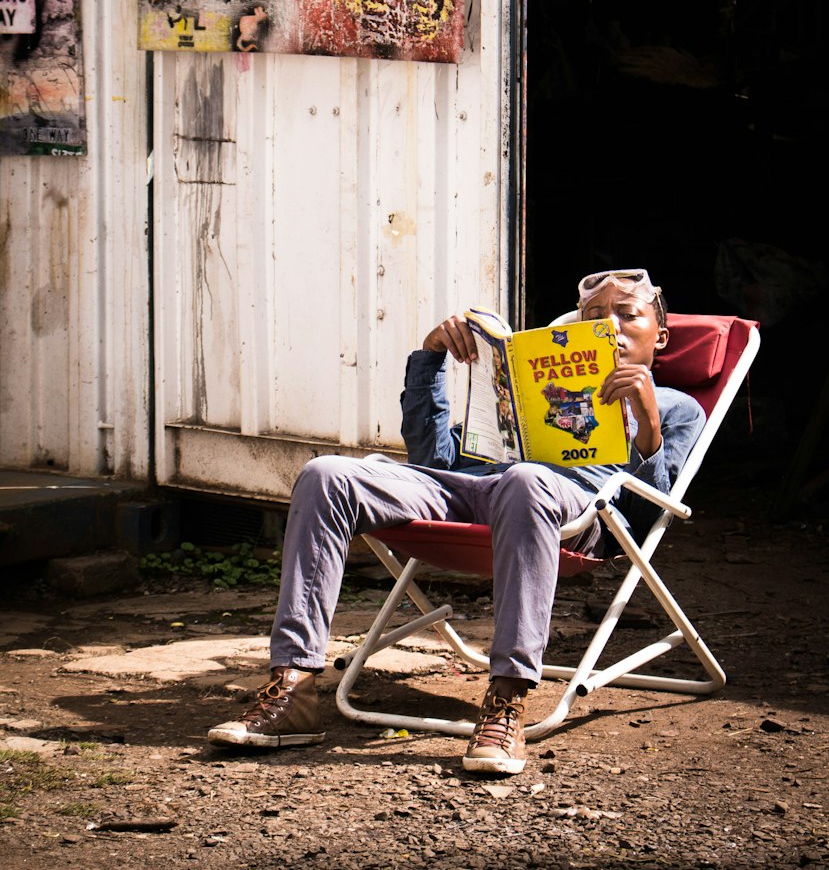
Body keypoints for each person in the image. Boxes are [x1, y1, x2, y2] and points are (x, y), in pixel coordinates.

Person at [207, 268, 706, 775]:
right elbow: (435, 460)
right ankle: (293, 689)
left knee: (526, 480)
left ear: (659, 334)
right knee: (325, 474)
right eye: (595, 317)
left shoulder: (674, 407)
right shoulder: (537, 383)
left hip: (569, 512)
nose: (612, 326)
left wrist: (646, 423)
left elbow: (647, 516)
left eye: (628, 314)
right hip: (467, 492)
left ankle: (506, 700)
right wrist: (431, 362)